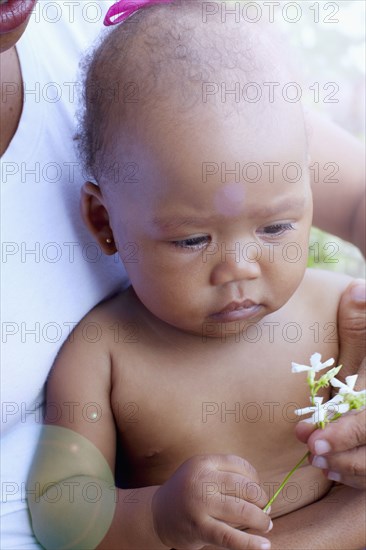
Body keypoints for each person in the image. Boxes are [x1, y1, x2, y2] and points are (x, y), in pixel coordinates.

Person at [1, 1, 365, 549]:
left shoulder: (347, 314)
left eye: (277, 226)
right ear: (104, 222)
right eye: (192, 239)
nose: (240, 267)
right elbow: (60, 508)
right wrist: (155, 516)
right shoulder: (103, 354)